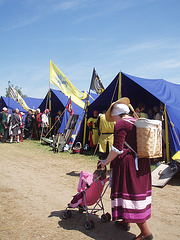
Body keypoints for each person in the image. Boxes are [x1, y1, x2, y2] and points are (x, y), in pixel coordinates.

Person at [98, 97, 153, 240]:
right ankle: (125, 221)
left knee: (132, 194)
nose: (113, 120)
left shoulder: (121, 124)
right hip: (141, 164)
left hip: (129, 165)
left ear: (117, 114)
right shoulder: (136, 121)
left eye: (113, 117)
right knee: (130, 193)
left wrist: (105, 161)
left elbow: (117, 148)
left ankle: (146, 233)